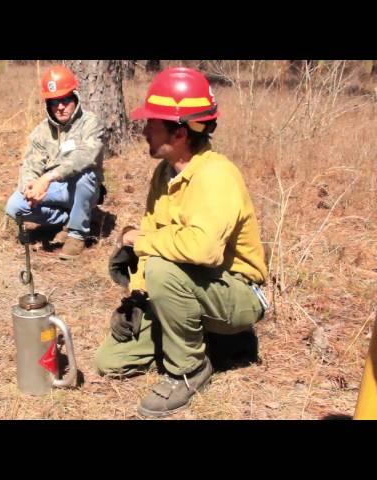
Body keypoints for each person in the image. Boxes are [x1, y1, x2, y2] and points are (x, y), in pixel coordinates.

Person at [94, 67, 269, 417]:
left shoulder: (215, 175)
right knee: (110, 360)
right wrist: (138, 296)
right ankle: (211, 344)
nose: (142, 130)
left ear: (179, 132)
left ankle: (189, 369)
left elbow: (201, 249)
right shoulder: (164, 173)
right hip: (187, 284)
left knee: (160, 266)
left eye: (151, 124)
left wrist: (141, 242)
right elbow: (153, 235)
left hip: (236, 293)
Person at [5, 65, 104, 259]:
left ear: (75, 97)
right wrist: (30, 188)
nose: (60, 106)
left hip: (81, 188)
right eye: (54, 101)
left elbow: (86, 156)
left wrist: (48, 178)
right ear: (48, 104)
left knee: (87, 176)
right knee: (14, 206)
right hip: (54, 189)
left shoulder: (90, 122)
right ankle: (70, 220)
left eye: (65, 100)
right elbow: (31, 164)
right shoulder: (41, 131)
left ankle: (77, 234)